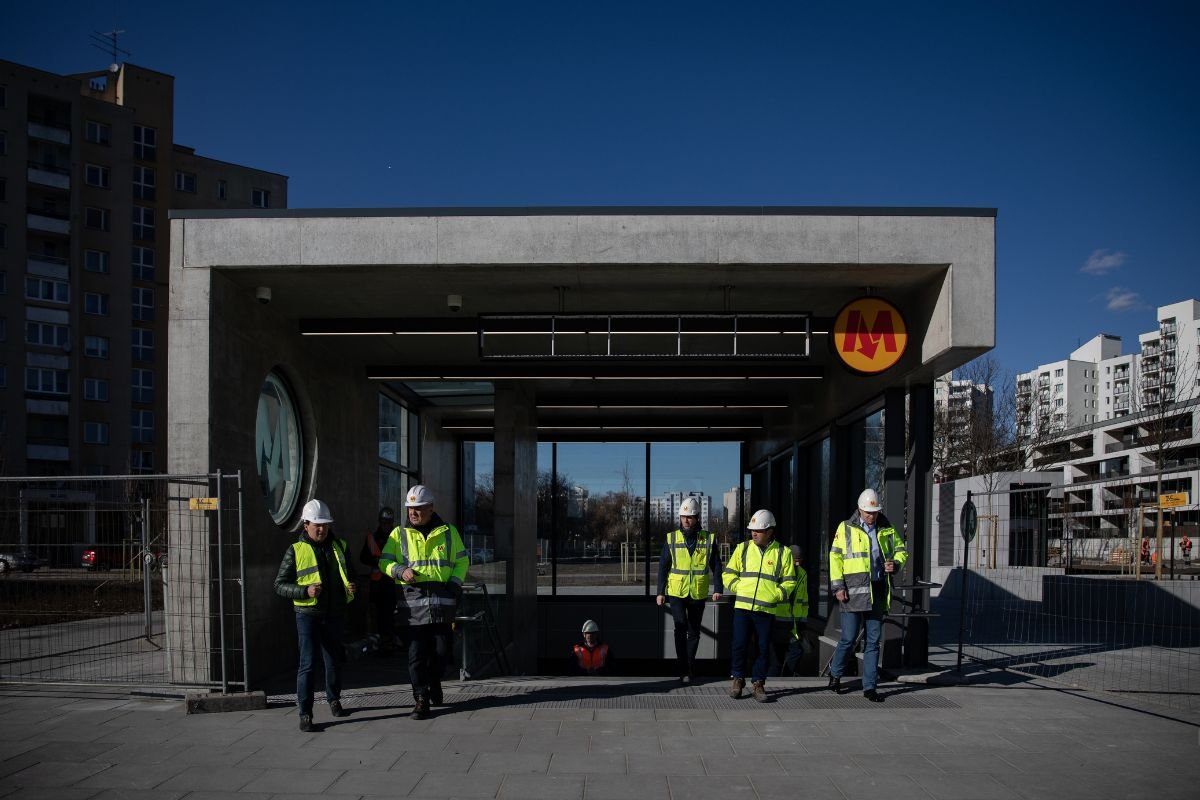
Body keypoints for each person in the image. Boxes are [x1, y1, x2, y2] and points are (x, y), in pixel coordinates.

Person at [379, 485, 469, 720]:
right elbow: (384, 562)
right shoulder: (398, 534)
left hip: (442, 604)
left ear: (430, 508)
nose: (413, 513)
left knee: (441, 652)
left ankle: (434, 680)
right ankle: (421, 698)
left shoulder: (449, 532)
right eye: (410, 509)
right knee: (416, 655)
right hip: (412, 607)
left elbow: (462, 561)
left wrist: (455, 584)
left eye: (418, 508)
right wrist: (399, 570)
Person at [273, 498, 357, 732]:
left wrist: (351, 586)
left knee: (333, 661)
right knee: (307, 665)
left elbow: (351, 575)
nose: (322, 529)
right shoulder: (296, 550)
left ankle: (334, 699)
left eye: (325, 525)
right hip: (307, 614)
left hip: (334, 613)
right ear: (306, 525)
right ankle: (305, 713)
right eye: (317, 525)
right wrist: (304, 590)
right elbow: (279, 585)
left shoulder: (339, 546)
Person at [828, 488, 908, 703]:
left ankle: (870, 687)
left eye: (874, 512)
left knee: (873, 642)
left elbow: (901, 550)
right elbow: (835, 558)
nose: (871, 516)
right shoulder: (845, 528)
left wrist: (896, 563)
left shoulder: (887, 528)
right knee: (848, 638)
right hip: (852, 593)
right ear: (859, 510)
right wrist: (838, 587)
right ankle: (835, 674)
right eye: (867, 512)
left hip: (877, 590)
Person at [722, 509, 796, 702]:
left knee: (763, 648)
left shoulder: (783, 552)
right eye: (752, 530)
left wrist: (776, 595)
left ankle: (758, 684)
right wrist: (740, 588)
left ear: (770, 531)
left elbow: (789, 581)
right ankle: (737, 679)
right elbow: (728, 574)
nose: (754, 533)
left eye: (758, 530)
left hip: (766, 609)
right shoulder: (743, 549)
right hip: (743, 608)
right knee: (739, 645)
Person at [655, 496, 723, 683]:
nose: (686, 520)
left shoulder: (708, 539)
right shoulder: (672, 538)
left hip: (697, 593)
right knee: (680, 627)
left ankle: (689, 665)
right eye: (683, 516)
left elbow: (716, 565)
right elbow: (663, 566)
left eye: (690, 516)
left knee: (693, 632)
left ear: (697, 518)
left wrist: (718, 588)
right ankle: (683, 667)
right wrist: (660, 592)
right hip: (677, 592)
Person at [359, 506, 397, 650]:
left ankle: (389, 639)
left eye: (388, 522)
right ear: (380, 522)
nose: (386, 525)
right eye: (384, 522)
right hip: (377, 582)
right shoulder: (372, 538)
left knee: (390, 612)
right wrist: (375, 561)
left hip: (391, 581)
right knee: (378, 612)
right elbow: (363, 557)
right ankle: (379, 640)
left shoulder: (396, 537)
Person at [770, 544, 810, 677]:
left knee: (796, 651)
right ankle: (774, 680)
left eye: (799, 559)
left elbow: (804, 601)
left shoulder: (802, 574)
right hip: (777, 622)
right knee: (778, 657)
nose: (797, 563)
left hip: (792, 624)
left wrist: (802, 622)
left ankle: (785, 676)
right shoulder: (778, 573)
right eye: (795, 560)